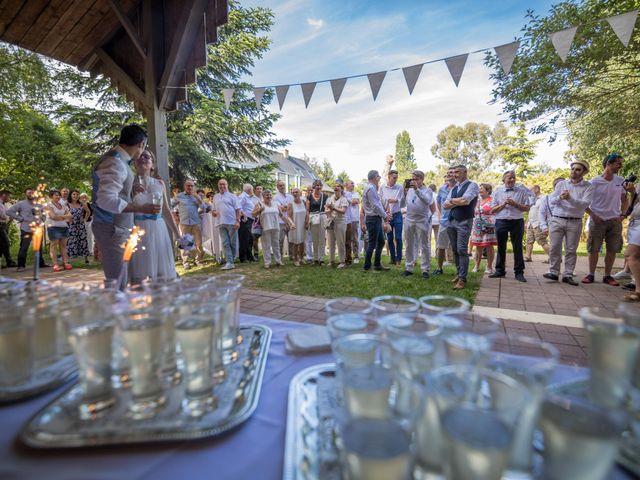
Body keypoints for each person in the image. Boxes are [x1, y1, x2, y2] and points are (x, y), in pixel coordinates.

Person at [91, 124, 157, 289]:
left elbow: (113, 192)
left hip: (115, 228)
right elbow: (106, 200)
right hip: (113, 229)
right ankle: (116, 313)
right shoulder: (115, 162)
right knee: (117, 283)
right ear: (141, 144)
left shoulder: (118, 160)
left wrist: (131, 192)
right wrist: (140, 208)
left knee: (122, 279)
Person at [129, 150, 179, 284]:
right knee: (138, 274)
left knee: (161, 274)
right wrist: (131, 191)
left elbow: (166, 211)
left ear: (153, 165)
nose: (144, 158)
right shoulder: (128, 183)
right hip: (137, 229)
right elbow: (121, 207)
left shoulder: (160, 184)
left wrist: (178, 235)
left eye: (148, 156)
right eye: (141, 156)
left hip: (158, 229)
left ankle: (161, 301)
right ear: (135, 163)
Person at [542, 161, 593, 286]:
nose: (574, 172)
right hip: (557, 219)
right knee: (554, 247)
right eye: (572, 169)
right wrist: (560, 197)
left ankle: (568, 274)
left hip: (575, 221)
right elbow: (552, 201)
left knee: (571, 249)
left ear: (584, 172)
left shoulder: (588, 186)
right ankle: (554, 272)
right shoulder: (561, 184)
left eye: (578, 170)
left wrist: (570, 199)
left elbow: (584, 204)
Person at [583, 153, 629, 286]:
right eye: (618, 163)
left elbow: (624, 200)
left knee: (612, 249)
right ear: (609, 163)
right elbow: (584, 203)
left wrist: (623, 215)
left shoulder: (620, 180)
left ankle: (607, 276)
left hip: (615, 221)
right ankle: (591, 274)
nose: (621, 166)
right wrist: (593, 215)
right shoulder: (594, 182)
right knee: (593, 248)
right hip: (597, 221)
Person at [489, 171, 534, 282]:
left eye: (514, 178)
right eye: (509, 178)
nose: (512, 180)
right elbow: (492, 210)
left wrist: (515, 204)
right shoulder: (497, 191)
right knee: (501, 247)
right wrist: (503, 204)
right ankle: (500, 271)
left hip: (517, 221)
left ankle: (519, 273)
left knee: (517, 247)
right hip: (501, 221)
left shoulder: (522, 191)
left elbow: (527, 208)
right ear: (503, 179)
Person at [444, 165, 479, 289]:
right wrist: (456, 201)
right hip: (451, 221)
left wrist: (452, 201)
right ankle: (459, 274)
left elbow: (466, 201)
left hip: (464, 221)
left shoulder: (472, 185)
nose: (455, 174)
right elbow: (444, 205)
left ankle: (462, 279)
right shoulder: (454, 188)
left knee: (462, 249)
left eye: (458, 172)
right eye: (454, 172)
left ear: (465, 172)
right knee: (454, 250)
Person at [401, 170, 435, 278]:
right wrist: (404, 192)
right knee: (409, 245)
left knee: (424, 246)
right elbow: (402, 204)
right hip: (409, 220)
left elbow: (427, 201)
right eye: (412, 179)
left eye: (415, 179)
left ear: (421, 179)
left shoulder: (428, 191)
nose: (413, 181)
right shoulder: (409, 190)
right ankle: (409, 267)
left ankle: (425, 270)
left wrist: (416, 190)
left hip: (422, 221)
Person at [7, 187, 49, 271]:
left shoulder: (39, 205)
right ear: (25, 194)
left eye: (32, 192)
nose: (31, 194)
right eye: (29, 192)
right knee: (24, 248)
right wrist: (20, 218)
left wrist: (42, 220)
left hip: (37, 229)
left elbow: (44, 214)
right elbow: (9, 212)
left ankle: (40, 263)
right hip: (26, 229)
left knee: (39, 247)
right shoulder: (20, 204)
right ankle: (21, 265)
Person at [173, 179, 207, 269]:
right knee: (185, 244)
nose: (190, 187)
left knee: (198, 243)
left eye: (192, 186)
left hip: (196, 223)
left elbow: (204, 208)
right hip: (184, 223)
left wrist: (197, 198)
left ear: (194, 187)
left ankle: (199, 260)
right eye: (188, 186)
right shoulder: (179, 196)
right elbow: (170, 205)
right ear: (185, 187)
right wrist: (174, 216)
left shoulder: (196, 196)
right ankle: (186, 262)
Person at [363, 170, 391, 271]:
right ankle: (367, 266)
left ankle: (377, 264)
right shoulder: (371, 188)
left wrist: (384, 213)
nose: (379, 178)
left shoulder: (372, 188)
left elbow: (377, 204)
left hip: (375, 218)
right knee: (372, 243)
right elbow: (375, 206)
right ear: (375, 177)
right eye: (378, 176)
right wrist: (384, 216)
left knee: (381, 242)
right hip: (373, 219)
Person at [214, 179, 240, 270]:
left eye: (224, 184)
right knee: (225, 243)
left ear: (227, 185)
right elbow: (214, 209)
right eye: (220, 184)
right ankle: (230, 262)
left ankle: (231, 260)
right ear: (218, 186)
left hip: (232, 222)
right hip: (220, 222)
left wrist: (237, 221)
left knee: (233, 243)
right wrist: (213, 212)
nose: (222, 186)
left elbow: (238, 209)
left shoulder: (232, 196)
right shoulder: (215, 197)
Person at [380, 169, 405, 265]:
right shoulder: (382, 187)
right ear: (389, 177)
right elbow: (381, 201)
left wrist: (392, 200)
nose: (395, 180)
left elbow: (400, 200)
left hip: (397, 215)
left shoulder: (399, 187)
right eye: (394, 178)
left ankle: (398, 259)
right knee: (389, 238)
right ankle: (392, 259)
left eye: (396, 178)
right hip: (387, 216)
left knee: (398, 238)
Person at [434, 169, 456, 275]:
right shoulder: (442, 189)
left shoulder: (460, 188)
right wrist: (440, 215)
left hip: (457, 221)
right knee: (441, 246)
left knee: (457, 246)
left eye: (451, 172)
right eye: (448, 173)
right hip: (444, 221)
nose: (448, 174)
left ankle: (459, 271)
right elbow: (438, 203)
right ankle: (439, 268)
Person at [470, 183, 497, 274]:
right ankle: (476, 266)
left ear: (488, 190)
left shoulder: (492, 200)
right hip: (477, 225)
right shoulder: (477, 201)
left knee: (489, 246)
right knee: (477, 246)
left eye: (481, 188)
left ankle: (489, 267)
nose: (479, 190)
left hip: (489, 224)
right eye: (479, 189)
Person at [252, 189, 282, 268]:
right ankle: (267, 262)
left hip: (275, 227)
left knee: (276, 245)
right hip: (265, 227)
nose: (269, 196)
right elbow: (253, 215)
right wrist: (259, 210)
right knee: (266, 245)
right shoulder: (259, 204)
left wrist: (289, 223)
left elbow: (281, 215)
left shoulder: (275, 204)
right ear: (263, 196)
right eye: (267, 195)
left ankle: (278, 261)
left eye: (270, 195)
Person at [45, 189, 72, 272]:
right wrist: (64, 217)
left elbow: (70, 216)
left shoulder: (63, 205)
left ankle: (65, 263)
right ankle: (55, 264)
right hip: (53, 227)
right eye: (56, 195)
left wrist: (60, 217)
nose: (58, 196)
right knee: (54, 245)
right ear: (51, 196)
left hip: (63, 227)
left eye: (58, 195)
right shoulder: (48, 205)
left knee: (63, 245)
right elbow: (53, 217)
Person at [623, 180, 640, 301]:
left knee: (630, 255)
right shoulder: (638, 185)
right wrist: (632, 192)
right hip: (635, 222)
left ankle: (639, 291)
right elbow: (634, 204)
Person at [524, 185, 550, 262]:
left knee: (541, 240)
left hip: (539, 223)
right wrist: (526, 222)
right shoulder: (532, 199)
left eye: (530, 190)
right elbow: (530, 211)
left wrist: (545, 224)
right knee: (529, 240)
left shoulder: (544, 198)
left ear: (537, 189)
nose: (529, 192)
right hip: (531, 223)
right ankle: (528, 257)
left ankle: (553, 258)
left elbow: (547, 212)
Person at [325, 183, 349, 268]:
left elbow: (343, 211)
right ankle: (331, 261)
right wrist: (329, 211)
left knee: (340, 242)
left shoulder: (344, 199)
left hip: (340, 222)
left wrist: (333, 208)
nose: (336, 187)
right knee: (330, 242)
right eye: (335, 186)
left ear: (342, 189)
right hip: (330, 222)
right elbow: (326, 210)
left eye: (338, 186)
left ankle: (342, 261)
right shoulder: (329, 199)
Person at [66, 190, 92, 263]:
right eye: (74, 194)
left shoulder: (82, 204)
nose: (75, 196)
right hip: (71, 225)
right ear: (71, 195)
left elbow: (88, 212)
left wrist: (85, 219)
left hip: (80, 225)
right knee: (71, 241)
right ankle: (68, 259)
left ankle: (86, 259)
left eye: (77, 194)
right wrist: (66, 220)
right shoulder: (67, 204)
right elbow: (63, 213)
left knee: (83, 240)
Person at [307, 179, 329, 265]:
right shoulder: (309, 196)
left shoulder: (325, 196)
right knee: (314, 238)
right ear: (313, 186)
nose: (318, 187)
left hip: (322, 216)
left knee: (322, 238)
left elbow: (327, 207)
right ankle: (315, 258)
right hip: (312, 217)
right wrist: (307, 220)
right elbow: (307, 210)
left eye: (320, 185)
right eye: (317, 185)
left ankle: (322, 258)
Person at [287, 187, 308, 266]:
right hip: (295, 226)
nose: (295, 194)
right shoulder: (290, 204)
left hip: (303, 225)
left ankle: (301, 258)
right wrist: (291, 223)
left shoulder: (304, 202)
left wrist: (306, 222)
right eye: (293, 192)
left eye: (296, 192)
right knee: (296, 243)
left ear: (300, 193)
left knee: (302, 242)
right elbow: (288, 216)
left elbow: (307, 212)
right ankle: (295, 259)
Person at [274, 180, 293, 260]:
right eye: (280, 186)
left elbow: (291, 207)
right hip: (280, 221)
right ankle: (280, 257)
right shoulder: (275, 197)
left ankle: (292, 256)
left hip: (290, 221)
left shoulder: (290, 196)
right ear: (277, 187)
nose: (282, 187)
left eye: (283, 185)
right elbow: (280, 209)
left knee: (291, 240)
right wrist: (286, 207)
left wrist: (284, 207)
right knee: (280, 240)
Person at [238, 184, 256, 263]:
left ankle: (249, 256)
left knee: (249, 239)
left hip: (250, 220)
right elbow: (238, 206)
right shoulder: (243, 196)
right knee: (244, 239)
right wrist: (243, 214)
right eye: (252, 189)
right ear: (249, 189)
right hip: (245, 220)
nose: (252, 191)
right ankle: (243, 257)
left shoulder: (247, 197)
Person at [0, 190, 16, 268]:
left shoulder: (4, 205)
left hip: (4, 225)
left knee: (1, 245)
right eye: (8, 196)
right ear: (3, 195)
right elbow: (3, 216)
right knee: (6, 243)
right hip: (0, 226)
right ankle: (9, 262)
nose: (9, 198)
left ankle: (4, 263)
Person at [79, 193, 94, 257]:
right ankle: (82, 250)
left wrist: (91, 217)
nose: (84, 199)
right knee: (82, 237)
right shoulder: (78, 205)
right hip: (80, 223)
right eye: (82, 197)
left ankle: (90, 251)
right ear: (80, 198)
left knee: (90, 236)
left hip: (89, 222)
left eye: (85, 197)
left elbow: (92, 213)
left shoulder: (89, 204)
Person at [251, 185, 263, 259]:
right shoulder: (252, 199)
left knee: (266, 237)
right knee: (255, 238)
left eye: (260, 188)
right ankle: (256, 254)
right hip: (256, 221)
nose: (259, 190)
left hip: (265, 219)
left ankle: (268, 252)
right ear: (255, 190)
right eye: (257, 189)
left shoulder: (265, 197)